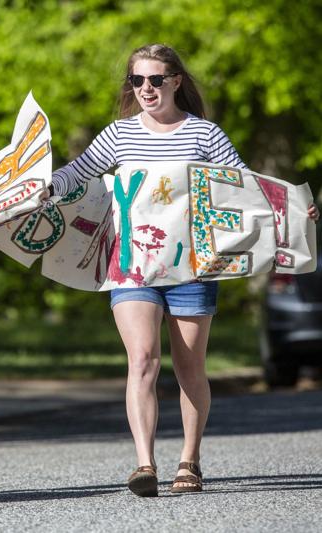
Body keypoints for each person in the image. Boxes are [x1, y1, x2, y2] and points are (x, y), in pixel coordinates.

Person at [49, 44, 319, 497]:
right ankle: (144, 464)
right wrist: (40, 186)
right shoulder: (119, 134)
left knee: (191, 366)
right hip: (132, 265)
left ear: (175, 81)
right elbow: (76, 174)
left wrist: (292, 210)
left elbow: (244, 188)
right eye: (137, 81)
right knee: (142, 360)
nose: (146, 89)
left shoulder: (204, 134)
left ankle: (189, 461)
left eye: (156, 80)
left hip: (193, 266)